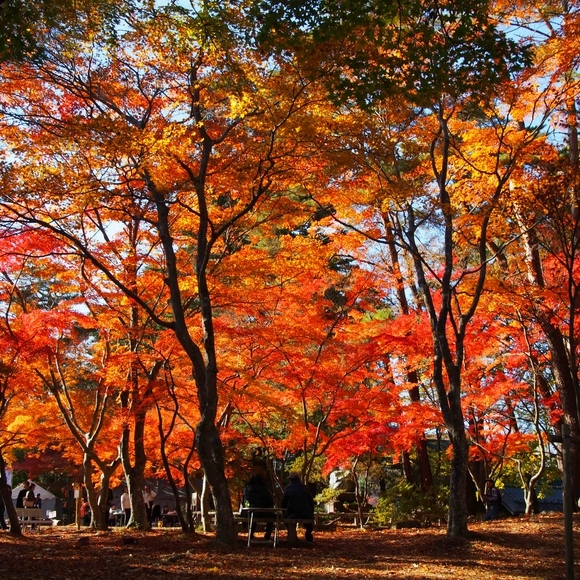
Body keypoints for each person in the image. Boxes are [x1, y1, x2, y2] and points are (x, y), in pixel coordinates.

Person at [282, 472, 314, 543]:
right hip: (306, 513)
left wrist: (284, 512)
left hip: (292, 513)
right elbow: (311, 502)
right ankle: (309, 537)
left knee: (285, 519)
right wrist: (311, 512)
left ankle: (292, 536)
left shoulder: (288, 488)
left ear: (290, 479)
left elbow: (284, 502)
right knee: (308, 523)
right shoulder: (305, 488)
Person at [242, 474, 275, 541]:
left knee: (252, 516)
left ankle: (251, 535)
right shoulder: (265, 488)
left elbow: (244, 500)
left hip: (251, 512)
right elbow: (270, 500)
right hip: (265, 513)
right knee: (272, 518)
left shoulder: (247, 488)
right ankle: (267, 536)